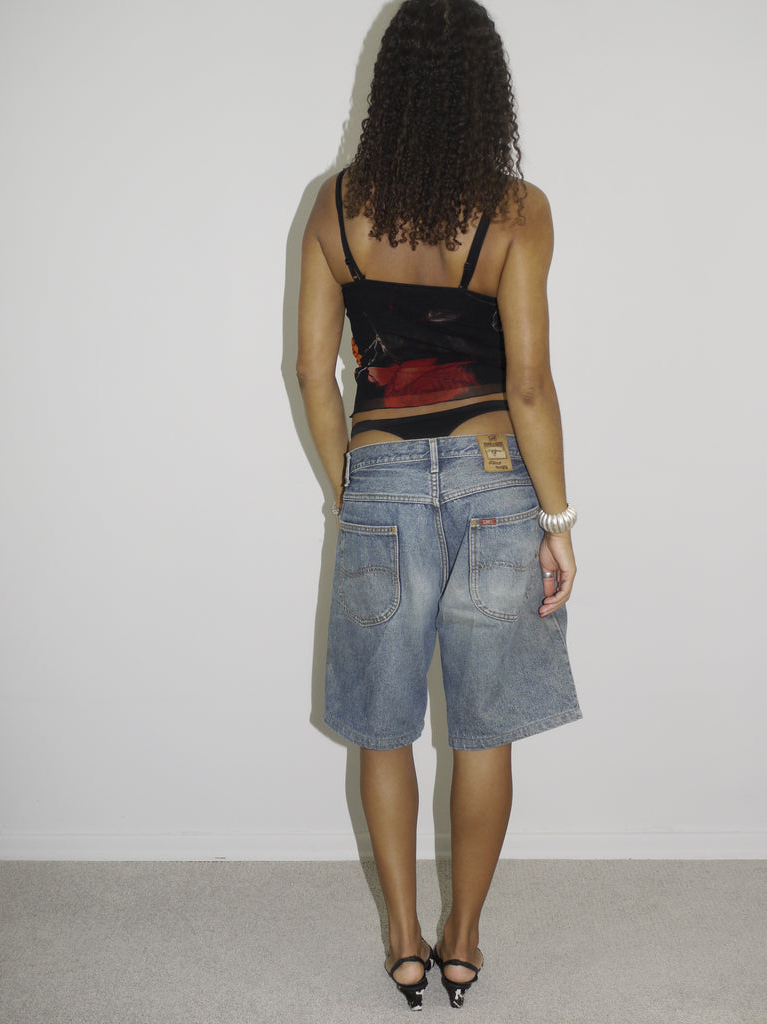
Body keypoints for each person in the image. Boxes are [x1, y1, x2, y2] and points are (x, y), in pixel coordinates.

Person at [297, 0, 582, 1010]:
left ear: (390, 88)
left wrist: (355, 486)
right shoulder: (518, 209)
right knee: (482, 728)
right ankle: (465, 939)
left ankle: (405, 942)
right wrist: (558, 520)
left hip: (378, 476)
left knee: (381, 730)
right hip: (494, 478)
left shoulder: (334, 208)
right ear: (483, 93)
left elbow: (310, 374)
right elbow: (533, 385)